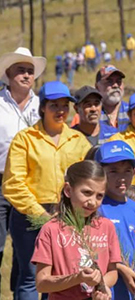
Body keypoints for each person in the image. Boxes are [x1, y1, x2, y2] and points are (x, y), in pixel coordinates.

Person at [2, 81, 91, 299]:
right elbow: (13, 184)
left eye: (64, 106)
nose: (61, 111)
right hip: (29, 217)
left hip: (69, 215)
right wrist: (41, 215)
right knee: (32, 277)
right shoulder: (25, 139)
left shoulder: (79, 141)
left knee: (63, 276)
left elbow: (88, 179)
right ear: (42, 107)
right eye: (54, 105)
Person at [31, 160, 121, 300]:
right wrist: (77, 278)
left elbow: (112, 272)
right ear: (68, 190)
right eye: (86, 193)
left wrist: (101, 286)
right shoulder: (51, 230)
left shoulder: (107, 227)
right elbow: (42, 283)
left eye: (99, 196)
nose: (92, 201)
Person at [0, 47, 45, 294]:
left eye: (30, 71)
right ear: (8, 74)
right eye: (21, 70)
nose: (26, 75)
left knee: (24, 253)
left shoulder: (42, 106)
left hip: (32, 187)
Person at [95, 141, 135, 300]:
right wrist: (122, 269)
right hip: (102, 290)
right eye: (113, 171)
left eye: (127, 171)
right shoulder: (94, 208)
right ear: (99, 172)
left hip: (128, 292)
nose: (121, 178)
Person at [95, 65, 129, 143]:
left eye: (118, 81)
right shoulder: (90, 115)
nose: (115, 85)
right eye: (109, 81)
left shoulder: (134, 113)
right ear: (97, 87)